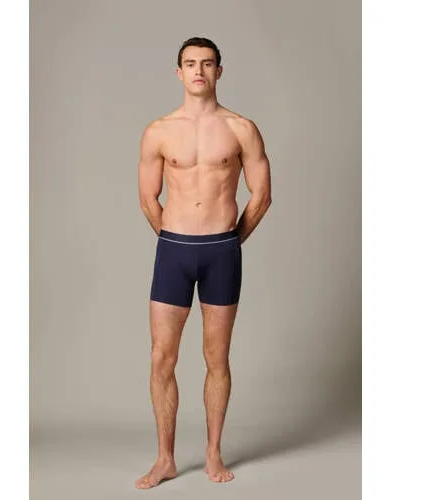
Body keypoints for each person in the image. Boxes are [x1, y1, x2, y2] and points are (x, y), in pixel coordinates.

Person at [135, 36, 272, 489]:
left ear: (219, 71)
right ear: (179, 72)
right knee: (162, 357)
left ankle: (214, 453)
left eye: (207, 63)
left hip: (221, 251)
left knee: (217, 357)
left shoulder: (241, 128)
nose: (199, 71)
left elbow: (261, 195)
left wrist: (230, 242)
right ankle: (165, 459)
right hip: (173, 250)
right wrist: (174, 240)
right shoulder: (158, 131)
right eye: (191, 64)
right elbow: (148, 198)